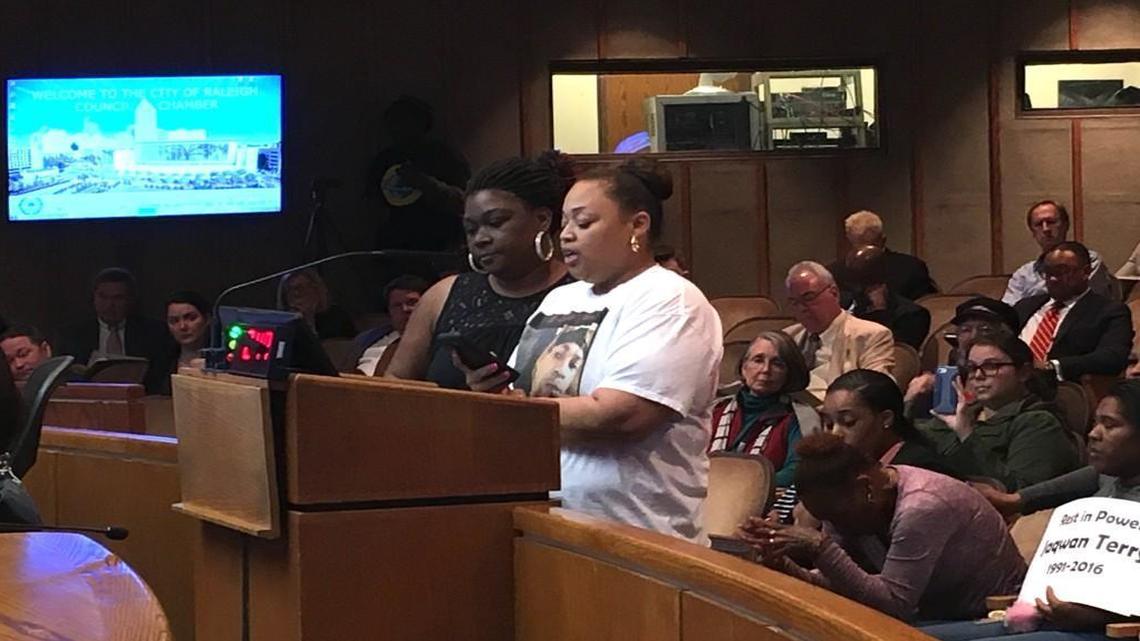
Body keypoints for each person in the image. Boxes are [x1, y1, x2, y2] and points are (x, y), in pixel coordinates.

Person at [464, 158, 723, 543]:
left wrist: (516, 413)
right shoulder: (559, 300)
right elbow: (519, 400)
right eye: (564, 222)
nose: (566, 235)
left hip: (639, 534)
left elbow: (623, 417)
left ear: (637, 225)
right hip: (544, 522)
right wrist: (492, 393)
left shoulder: (671, 299)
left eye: (583, 223)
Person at [923, 379, 1140, 641]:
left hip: (1113, 630)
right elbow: (1089, 476)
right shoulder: (1111, 475)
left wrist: (1102, 616)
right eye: (1095, 422)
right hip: (1052, 612)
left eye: (1111, 424)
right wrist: (1016, 499)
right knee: (907, 635)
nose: (1094, 433)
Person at [738, 433, 1026, 622]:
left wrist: (819, 547)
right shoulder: (854, 503)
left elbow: (894, 604)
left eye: (835, 516)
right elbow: (847, 586)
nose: (835, 525)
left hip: (989, 615)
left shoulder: (923, 507)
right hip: (933, 612)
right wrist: (783, 565)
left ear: (865, 488)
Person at [386, 152, 575, 389]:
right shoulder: (444, 295)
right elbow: (395, 382)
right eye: (471, 229)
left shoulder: (584, 292)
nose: (480, 239)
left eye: (495, 222)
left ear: (542, 219)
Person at [919, 331, 1081, 491]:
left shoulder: (1039, 422)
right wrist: (909, 402)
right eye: (972, 367)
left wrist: (966, 434)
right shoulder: (961, 414)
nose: (978, 375)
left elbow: (1018, 490)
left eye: (991, 366)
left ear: (1023, 372)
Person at [708, 331, 821, 488]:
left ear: (789, 373)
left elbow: (798, 469)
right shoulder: (715, 410)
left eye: (777, 363)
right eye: (758, 360)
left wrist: (746, 488)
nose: (766, 370)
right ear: (744, 367)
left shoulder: (799, 418)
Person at [1014, 242, 1133, 382]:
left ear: (1086, 272)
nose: (1052, 279)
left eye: (1062, 272)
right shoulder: (1025, 306)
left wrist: (1052, 366)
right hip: (1009, 381)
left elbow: (1113, 356)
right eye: (1047, 272)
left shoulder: (1108, 311)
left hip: (1060, 386)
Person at [366, 95, 470, 251]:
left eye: (406, 121)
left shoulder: (441, 155)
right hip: (397, 245)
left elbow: (465, 201)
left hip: (440, 242)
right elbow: (372, 206)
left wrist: (425, 184)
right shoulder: (384, 160)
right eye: (394, 122)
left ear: (422, 123)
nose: (399, 128)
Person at [782, 261, 894, 401]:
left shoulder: (870, 335)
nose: (801, 308)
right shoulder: (787, 338)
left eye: (808, 298)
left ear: (834, 293)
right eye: (794, 302)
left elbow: (876, 393)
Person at [55, 267, 173, 393]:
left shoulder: (154, 332)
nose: (110, 305)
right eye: (103, 297)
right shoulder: (72, 334)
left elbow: (158, 378)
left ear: (130, 300)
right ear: (93, 298)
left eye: (118, 298)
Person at [824, 369, 960, 477]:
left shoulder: (922, 470)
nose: (835, 434)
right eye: (829, 424)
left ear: (885, 419)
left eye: (848, 422)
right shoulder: (850, 467)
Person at [905, 296, 1022, 414]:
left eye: (985, 329)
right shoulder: (947, 376)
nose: (973, 337)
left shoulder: (1016, 385)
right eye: (966, 330)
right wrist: (911, 400)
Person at [1002, 201, 1113, 305]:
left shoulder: (1089, 260)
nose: (1046, 229)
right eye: (1039, 224)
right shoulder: (1024, 275)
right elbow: (1007, 311)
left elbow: (1074, 298)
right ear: (1033, 232)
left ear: (1065, 225)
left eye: (1051, 222)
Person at [828, 210, 938, 301]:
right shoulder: (834, 273)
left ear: (883, 240)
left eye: (871, 246)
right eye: (860, 245)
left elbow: (924, 305)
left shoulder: (912, 268)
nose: (866, 253)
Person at [844, 244, 931, 349]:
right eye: (853, 282)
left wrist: (878, 312)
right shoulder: (841, 305)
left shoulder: (913, 315)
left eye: (866, 284)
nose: (858, 289)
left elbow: (888, 350)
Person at [351, 275, 431, 376]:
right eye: (397, 305)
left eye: (412, 302)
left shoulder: (433, 344)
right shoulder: (367, 339)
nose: (405, 309)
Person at [276, 269, 357, 340]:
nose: (296, 293)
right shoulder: (285, 325)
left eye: (299, 288)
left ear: (315, 289)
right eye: (289, 290)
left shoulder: (336, 315)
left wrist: (309, 317)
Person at [165, 291, 211, 371]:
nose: (182, 327)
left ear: (207, 319)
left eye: (191, 318)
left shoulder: (222, 362)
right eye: (174, 321)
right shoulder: (161, 362)